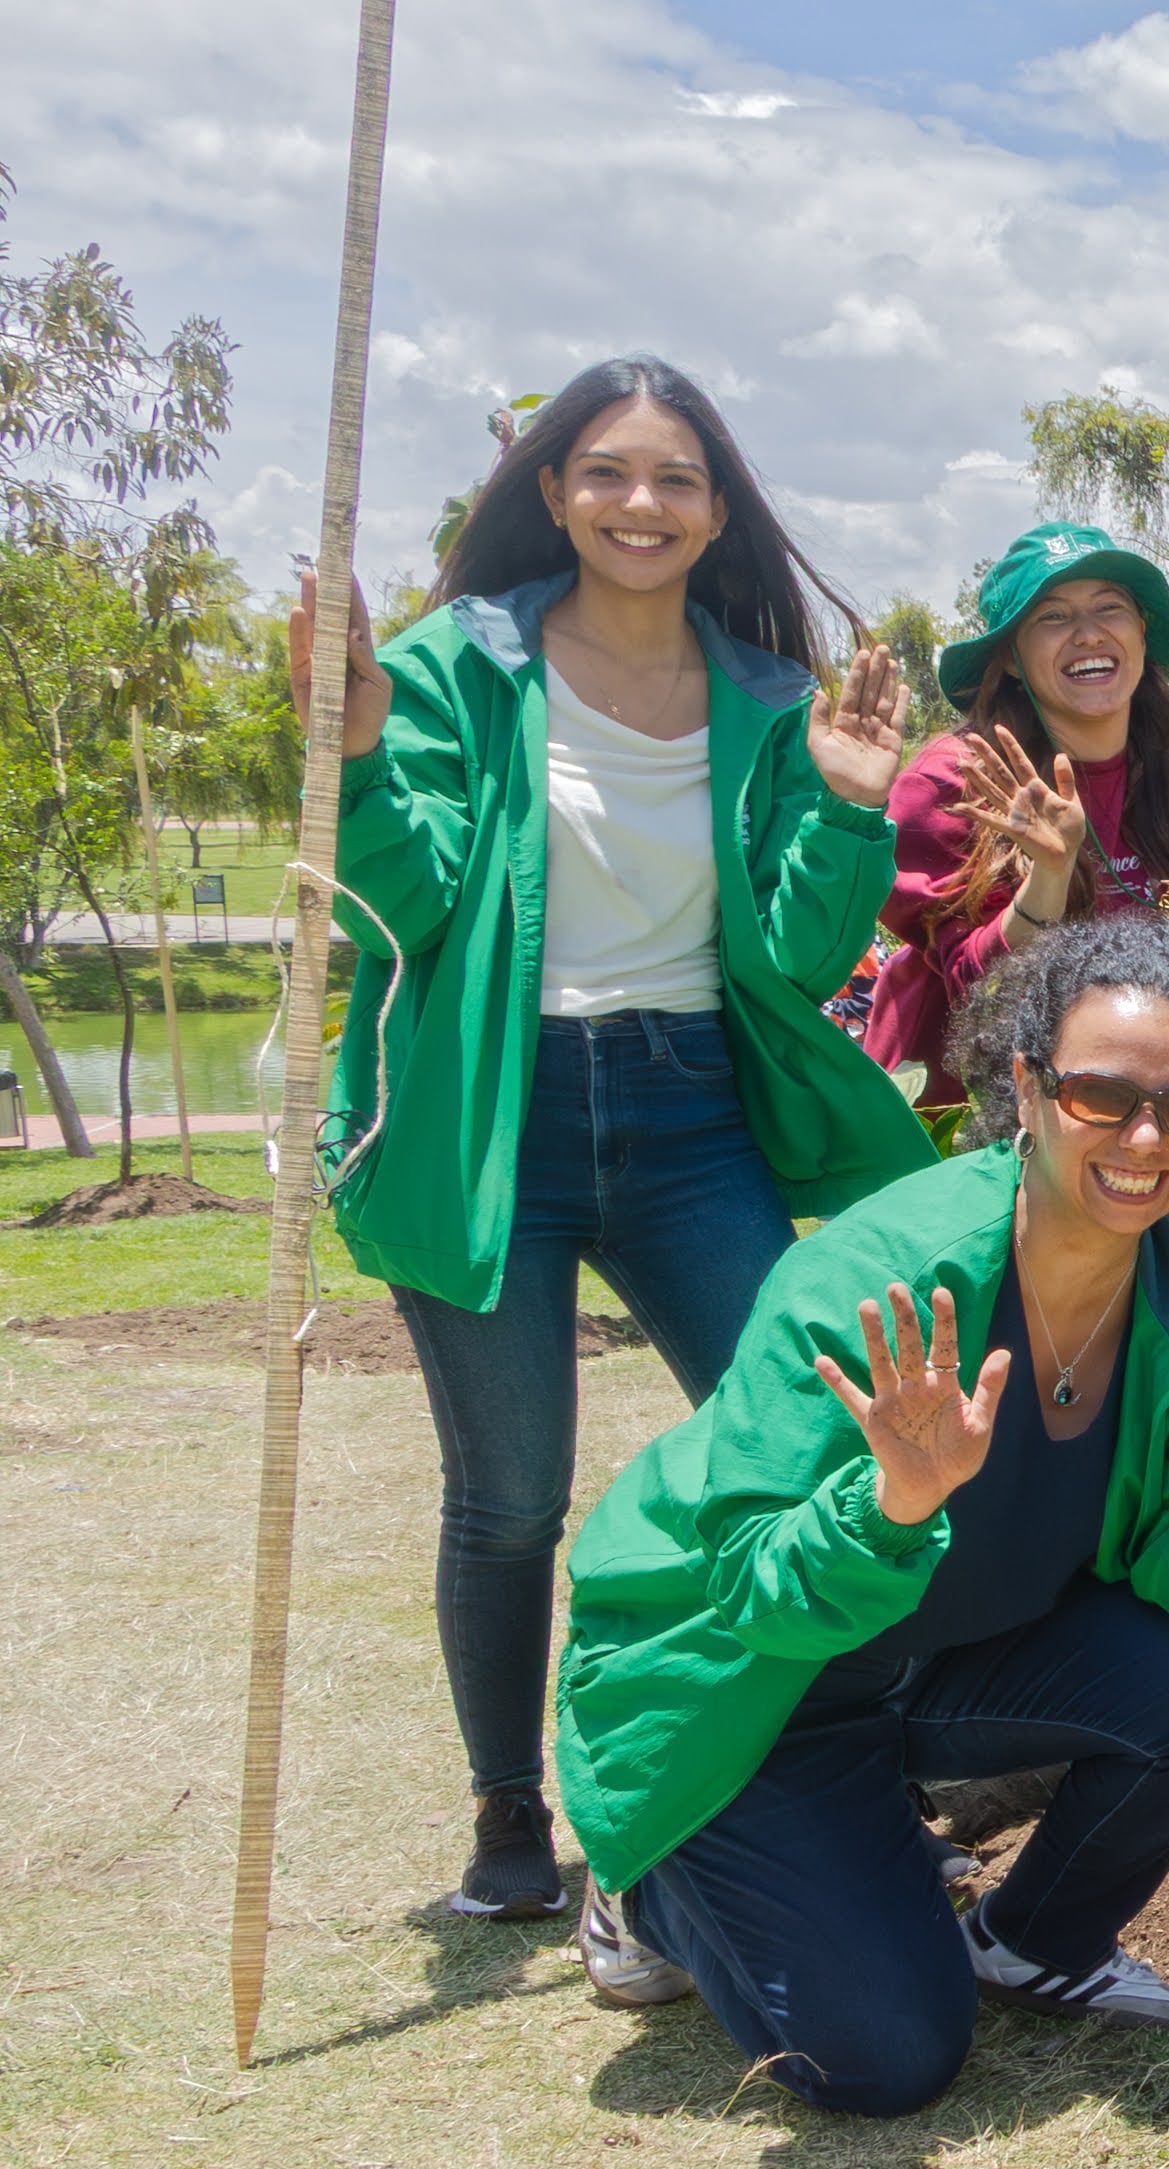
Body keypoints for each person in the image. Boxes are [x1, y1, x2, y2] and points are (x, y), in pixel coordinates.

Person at [558, 916, 1169, 2113]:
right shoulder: (877, 1283)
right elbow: (753, 1582)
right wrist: (896, 1496)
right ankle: (647, 1881)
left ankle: (1033, 1938)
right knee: (883, 2062)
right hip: (753, 1685)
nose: (1146, 1138)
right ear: (1025, 1086)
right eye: (1103, 1096)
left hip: (935, 1668)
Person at [289, 355, 936, 1922]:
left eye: (677, 479)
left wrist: (849, 803)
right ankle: (511, 1818)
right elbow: (411, 905)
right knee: (510, 1495)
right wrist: (362, 746)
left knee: (813, 1448)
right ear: (553, 493)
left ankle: (780, 1764)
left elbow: (795, 954)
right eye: (607, 473)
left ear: (721, 512)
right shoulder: (455, 667)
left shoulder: (775, 701)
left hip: (692, 1111)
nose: (641, 504)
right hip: (491, 1113)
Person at [858, 522, 1169, 1102]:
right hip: (955, 1110)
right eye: (1053, 616)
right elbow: (982, 993)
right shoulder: (955, 780)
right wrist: (1049, 877)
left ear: (1141, 632)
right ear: (1009, 657)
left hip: (1109, 1104)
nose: (1087, 634)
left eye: (1109, 608)